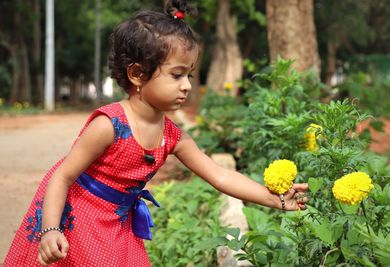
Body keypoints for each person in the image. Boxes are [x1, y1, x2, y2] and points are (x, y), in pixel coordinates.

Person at [4, 0, 309, 266]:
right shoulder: (109, 125)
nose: (187, 85)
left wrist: (278, 201)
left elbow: (221, 176)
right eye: (177, 75)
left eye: (188, 74)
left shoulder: (172, 137)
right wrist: (51, 229)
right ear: (137, 74)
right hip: (78, 218)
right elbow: (62, 176)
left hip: (117, 225)